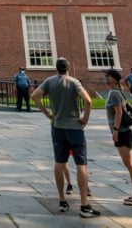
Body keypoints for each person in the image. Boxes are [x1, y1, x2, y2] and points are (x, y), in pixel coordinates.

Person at [32, 56, 100, 218]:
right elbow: (88, 101)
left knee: (59, 162)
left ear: (56, 68)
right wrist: (85, 119)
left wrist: (47, 113)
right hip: (74, 128)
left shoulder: (49, 81)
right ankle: (84, 206)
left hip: (57, 127)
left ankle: (62, 200)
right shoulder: (73, 82)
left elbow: (34, 96)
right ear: (68, 67)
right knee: (81, 164)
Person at [104, 68, 132, 206]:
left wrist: (115, 131)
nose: (105, 77)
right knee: (130, 165)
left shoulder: (114, 93)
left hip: (122, 133)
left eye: (107, 75)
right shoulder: (115, 92)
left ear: (113, 79)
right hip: (123, 132)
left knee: (130, 165)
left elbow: (119, 113)